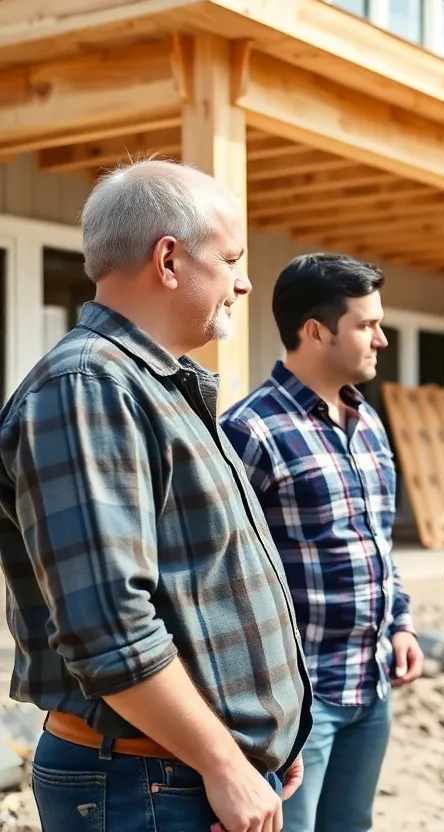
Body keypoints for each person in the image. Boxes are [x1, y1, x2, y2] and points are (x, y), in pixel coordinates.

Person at [0, 159, 310, 832]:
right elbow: (111, 630)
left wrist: (263, 742)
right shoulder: (87, 390)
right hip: (149, 782)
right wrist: (225, 762)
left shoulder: (156, 386)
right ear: (169, 260)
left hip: (184, 773)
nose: (245, 281)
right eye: (231, 259)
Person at [219, 252, 424, 832]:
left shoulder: (369, 422)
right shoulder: (249, 431)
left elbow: (377, 544)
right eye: (367, 324)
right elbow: (223, 579)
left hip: (372, 684)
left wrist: (402, 623)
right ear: (314, 331)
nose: (381, 339)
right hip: (296, 701)